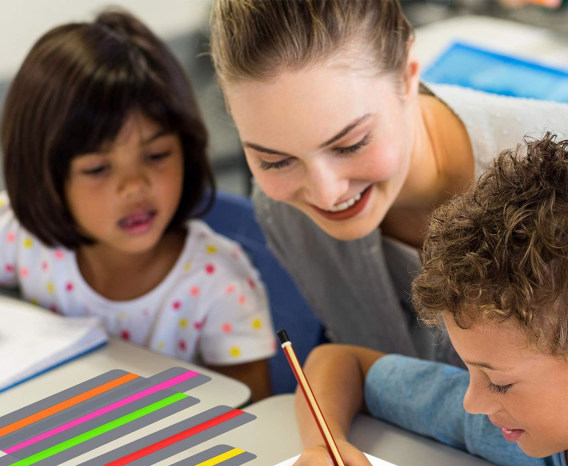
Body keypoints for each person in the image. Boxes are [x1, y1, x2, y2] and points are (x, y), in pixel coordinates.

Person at [209, 0, 568, 368]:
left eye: (351, 144)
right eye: (275, 161)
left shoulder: (559, 183)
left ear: (406, 76)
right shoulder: (282, 210)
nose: (326, 193)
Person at [286, 133, 568, 466]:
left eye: (498, 383)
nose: (472, 402)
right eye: (471, 371)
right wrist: (324, 446)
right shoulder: (500, 426)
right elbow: (343, 363)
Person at [0, 9, 274, 401]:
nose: (134, 186)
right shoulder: (19, 233)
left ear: (188, 148)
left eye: (157, 155)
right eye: (98, 168)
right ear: (44, 176)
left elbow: (253, 417)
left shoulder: (218, 285)